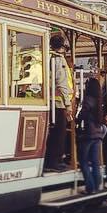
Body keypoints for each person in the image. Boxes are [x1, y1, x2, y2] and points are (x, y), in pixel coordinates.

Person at [44, 34, 74, 172]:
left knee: (52, 133)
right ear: (64, 46)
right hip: (59, 103)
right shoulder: (59, 59)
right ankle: (56, 161)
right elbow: (62, 83)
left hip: (50, 101)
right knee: (59, 133)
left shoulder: (47, 57)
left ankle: (50, 160)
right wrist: (68, 104)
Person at [77, 76, 106, 194]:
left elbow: (82, 115)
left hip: (88, 134)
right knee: (95, 161)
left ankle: (90, 187)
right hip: (98, 134)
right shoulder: (99, 100)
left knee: (83, 161)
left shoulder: (88, 99)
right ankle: (97, 186)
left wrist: (78, 118)